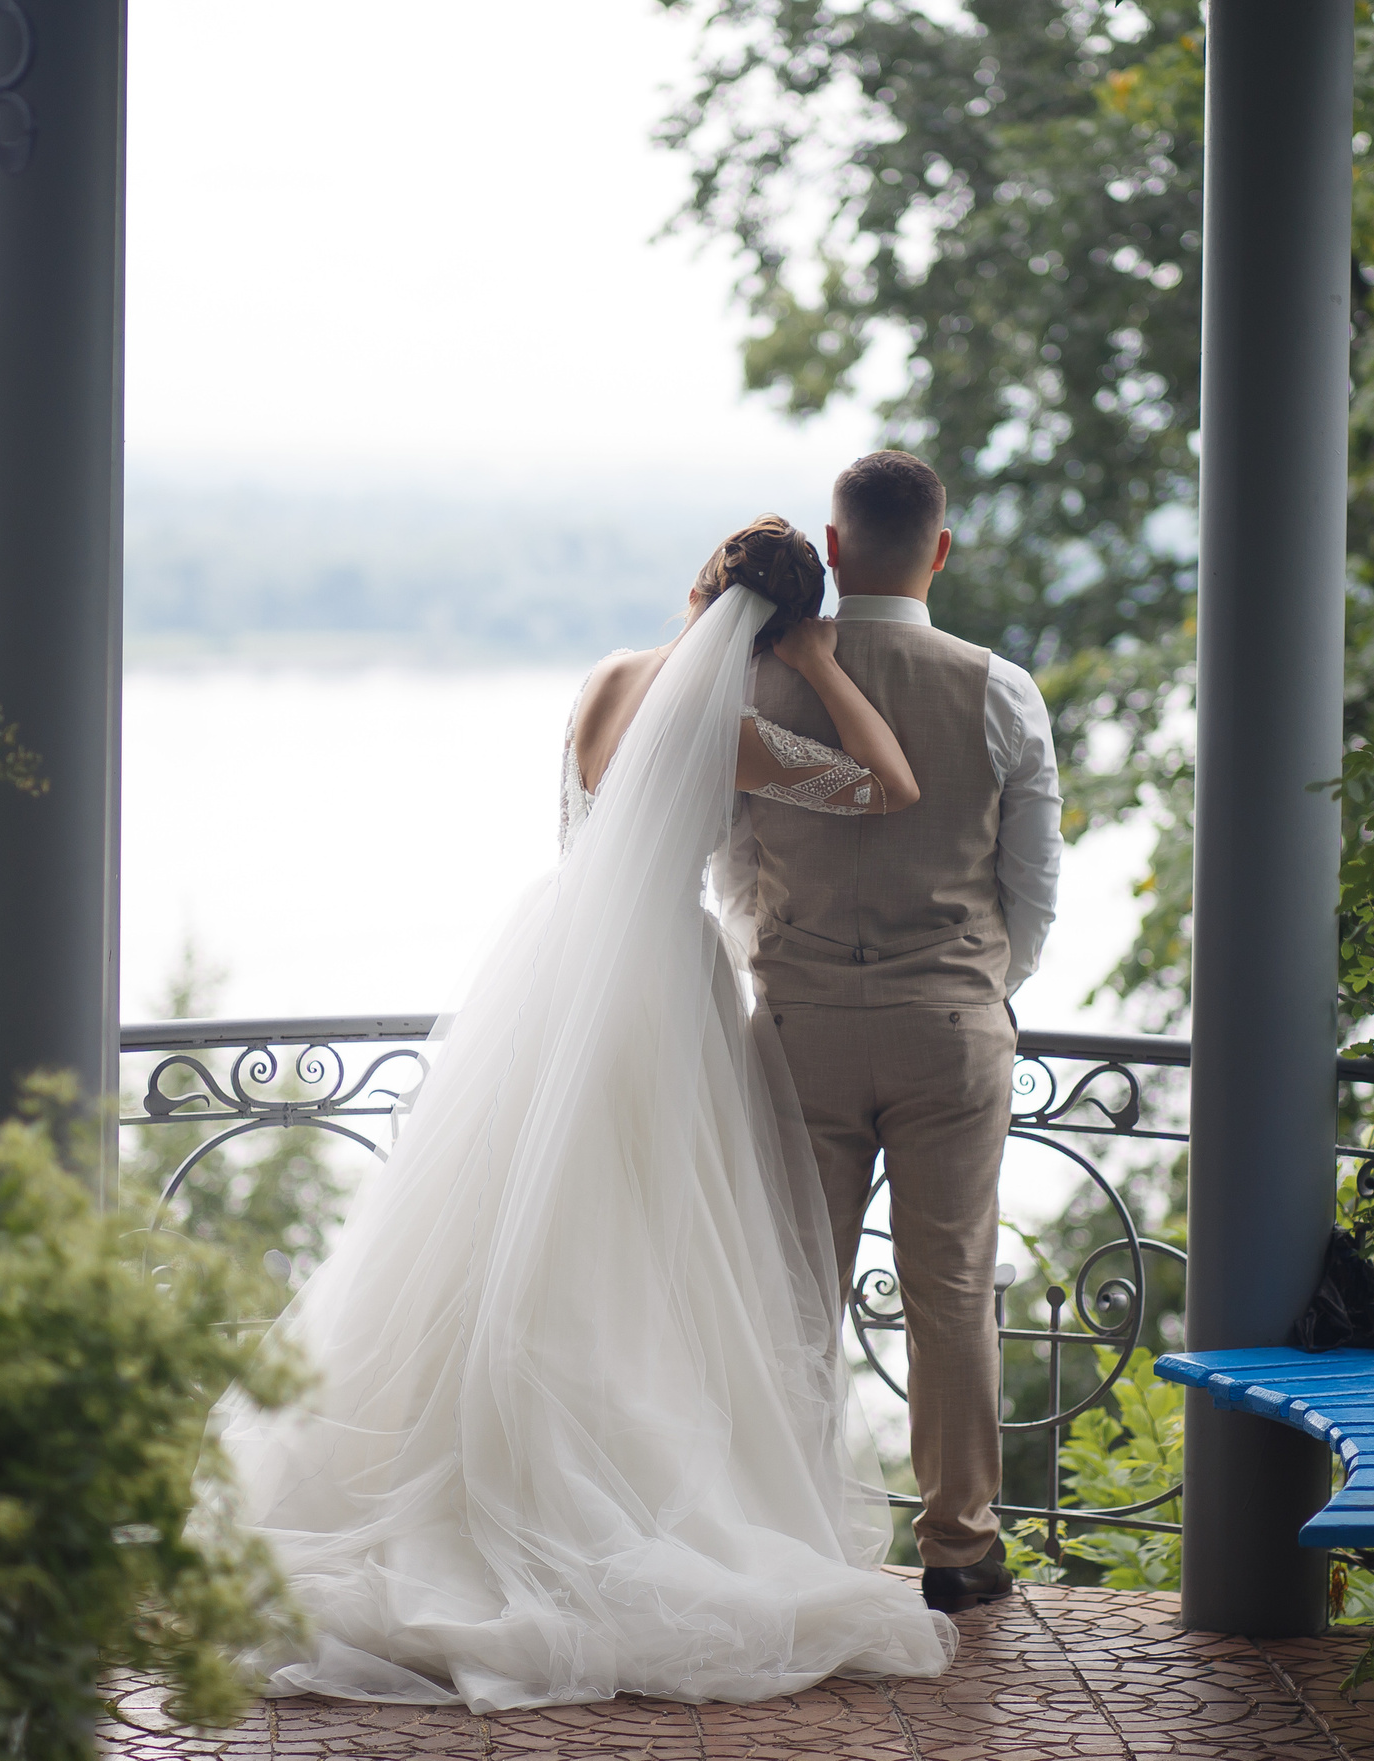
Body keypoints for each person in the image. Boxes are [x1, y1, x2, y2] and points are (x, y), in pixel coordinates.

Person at [204, 516, 959, 1710]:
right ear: (777, 631)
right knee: (644, 1244)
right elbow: (889, 783)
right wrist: (820, 667)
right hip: (657, 983)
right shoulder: (734, 732)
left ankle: (451, 1465)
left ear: (700, 590)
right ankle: (593, 1488)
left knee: (507, 1222)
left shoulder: (605, 679)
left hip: (555, 962)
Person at [724, 451, 1064, 1615]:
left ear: (832, 548)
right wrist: (973, 987)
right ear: (940, 550)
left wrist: (794, 965)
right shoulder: (999, 690)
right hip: (949, 1026)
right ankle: (959, 1547)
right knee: (953, 1291)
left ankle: (784, 1536)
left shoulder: (755, 689)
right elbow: (1033, 887)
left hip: (800, 1025)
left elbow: (733, 871)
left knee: (792, 1288)